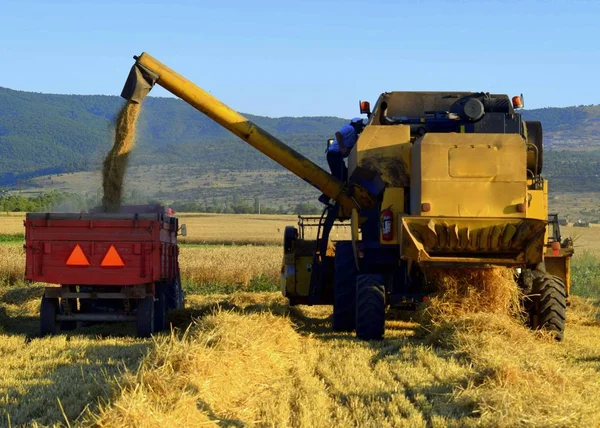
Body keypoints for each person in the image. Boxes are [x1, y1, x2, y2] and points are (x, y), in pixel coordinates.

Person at [319, 117, 365, 204]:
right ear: (356, 124)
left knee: (345, 175)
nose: (361, 128)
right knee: (338, 177)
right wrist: (342, 147)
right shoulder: (349, 128)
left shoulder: (355, 136)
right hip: (334, 154)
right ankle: (325, 197)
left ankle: (336, 196)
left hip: (338, 156)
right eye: (360, 125)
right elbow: (338, 134)